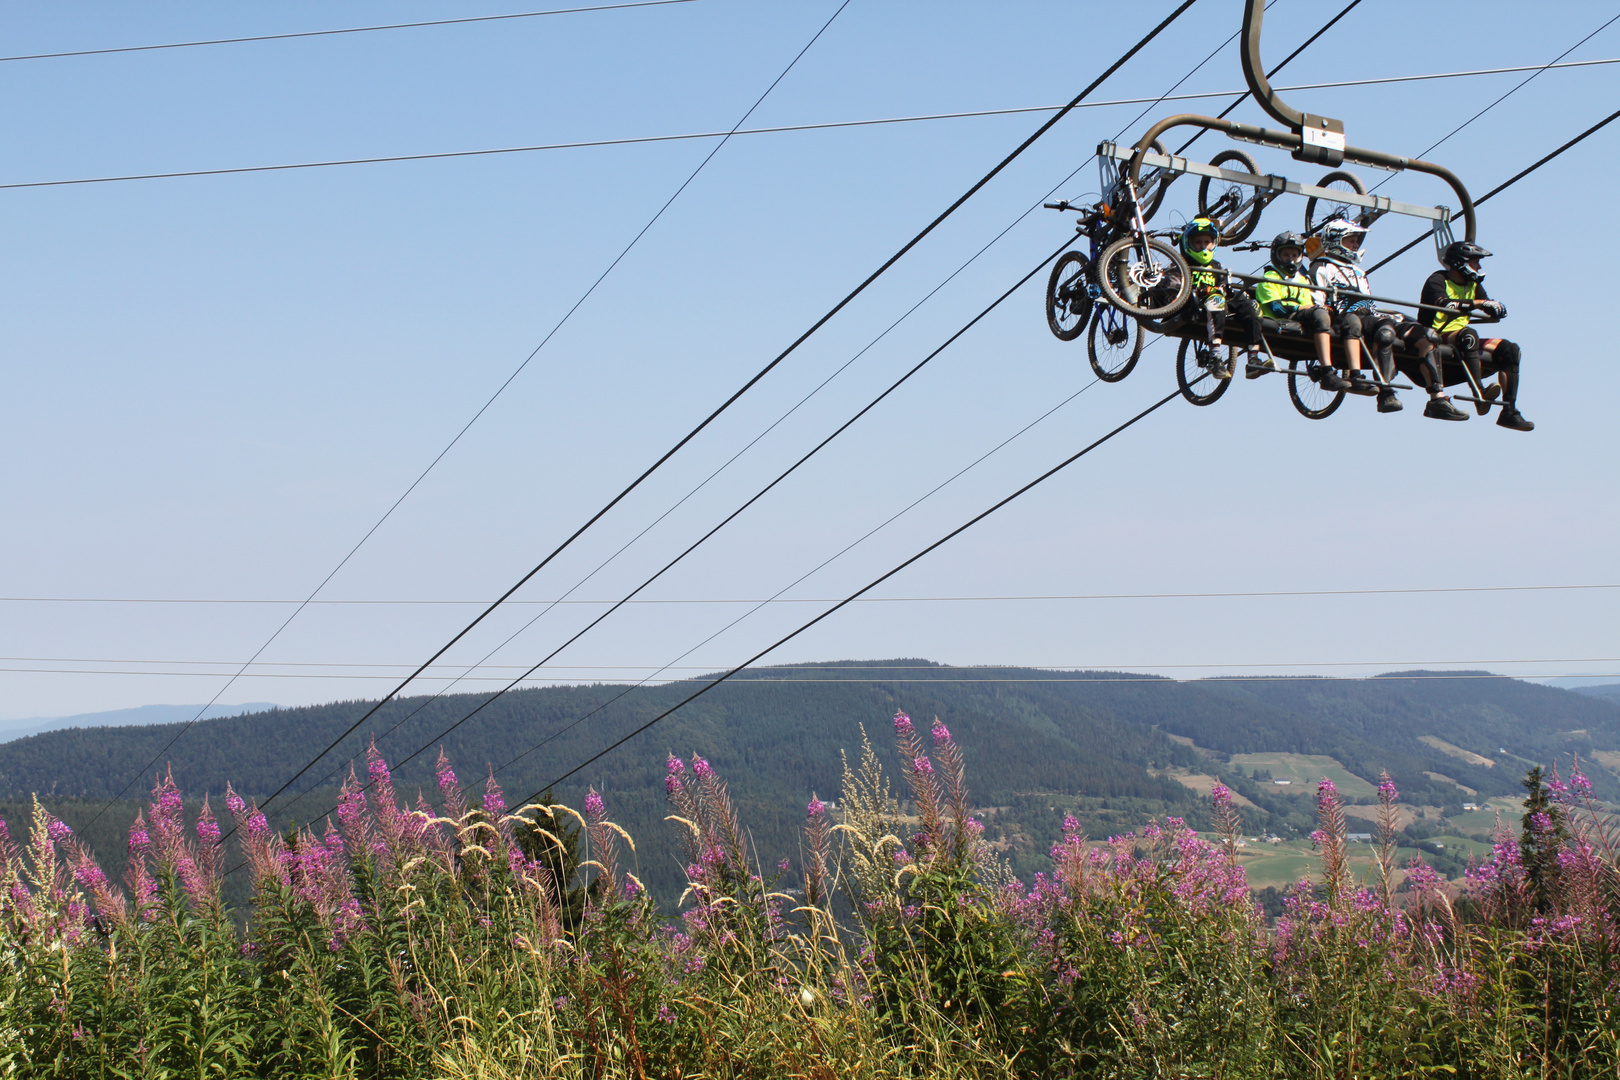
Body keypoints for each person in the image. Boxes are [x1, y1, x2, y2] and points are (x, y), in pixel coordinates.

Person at [1310, 220, 1468, 420]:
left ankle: (1438, 398)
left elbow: (1369, 302)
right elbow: (1319, 300)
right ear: (1336, 240)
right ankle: (1386, 393)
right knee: (1385, 334)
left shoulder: (1359, 272)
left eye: (1356, 241)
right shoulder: (1322, 266)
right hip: (1349, 317)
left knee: (1427, 335)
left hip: (1371, 316)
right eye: (1351, 240)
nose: (1356, 245)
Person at [1421, 241, 1533, 431]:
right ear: (1461, 262)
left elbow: (1484, 302)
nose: (1479, 267)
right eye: (1475, 262)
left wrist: (1495, 308)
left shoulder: (1472, 284)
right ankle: (1479, 393)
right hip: (1436, 333)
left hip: (1461, 335)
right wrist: (1479, 304)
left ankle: (1509, 412)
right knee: (1469, 334)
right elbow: (1445, 303)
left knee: (1510, 349)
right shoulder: (1438, 279)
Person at [1251, 231, 1349, 390]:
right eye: (1286, 255)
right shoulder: (1270, 277)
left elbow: (1307, 304)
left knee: (1336, 319)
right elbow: (1276, 309)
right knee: (1319, 314)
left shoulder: (1302, 280)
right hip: (1279, 319)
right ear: (1277, 256)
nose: (1291, 259)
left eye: (1295, 255)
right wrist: (1301, 307)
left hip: (1299, 316)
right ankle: (1327, 371)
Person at [1178, 216, 1263, 379]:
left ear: (1214, 243)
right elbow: (1174, 286)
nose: (1203, 246)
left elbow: (1226, 288)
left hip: (1220, 299)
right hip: (1197, 303)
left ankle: (1253, 358)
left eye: (1207, 242)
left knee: (1249, 306)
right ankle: (1214, 357)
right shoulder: (1183, 265)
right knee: (1216, 300)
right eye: (1198, 242)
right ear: (1189, 243)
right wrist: (1203, 290)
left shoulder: (1217, 266)